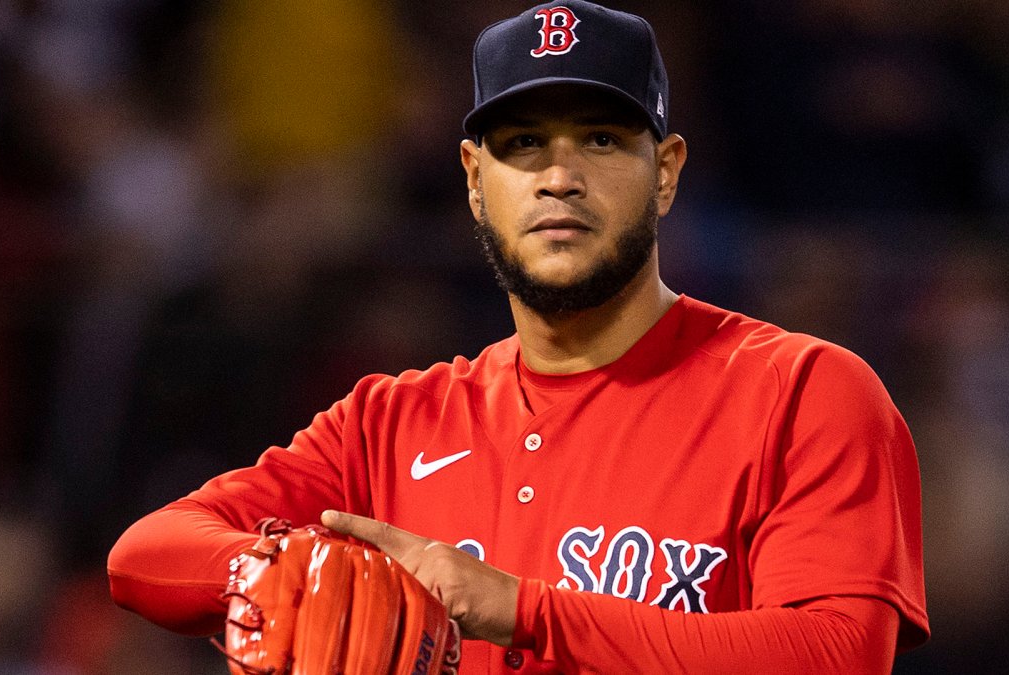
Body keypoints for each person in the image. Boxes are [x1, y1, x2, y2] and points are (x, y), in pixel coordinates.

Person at [108, 2, 929, 672]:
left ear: (668, 171)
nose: (558, 176)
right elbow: (145, 558)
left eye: (600, 139)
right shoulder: (391, 423)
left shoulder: (802, 390)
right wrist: (307, 578)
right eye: (523, 143)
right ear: (474, 181)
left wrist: (520, 608)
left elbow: (836, 652)